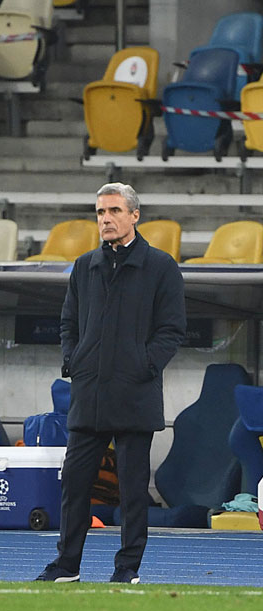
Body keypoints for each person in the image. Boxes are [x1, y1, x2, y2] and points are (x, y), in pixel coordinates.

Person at [36, 182, 186, 585]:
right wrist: (74, 361)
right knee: (74, 487)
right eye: (100, 212)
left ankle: (127, 569)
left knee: (133, 492)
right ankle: (66, 567)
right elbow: (69, 323)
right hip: (89, 394)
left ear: (134, 215)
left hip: (135, 395)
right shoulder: (85, 266)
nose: (106, 219)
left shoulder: (161, 266)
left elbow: (172, 330)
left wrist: (144, 364)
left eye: (114, 211)